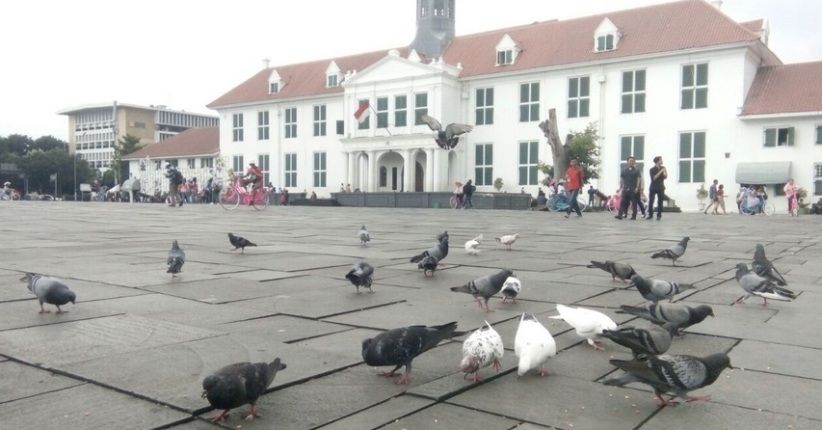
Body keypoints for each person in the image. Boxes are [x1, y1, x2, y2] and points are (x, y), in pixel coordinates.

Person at [646, 156, 667, 220]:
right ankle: (650, 215)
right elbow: (654, 178)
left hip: (661, 187)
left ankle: (659, 215)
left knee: (660, 202)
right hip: (653, 187)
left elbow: (665, 177)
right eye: (661, 160)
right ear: (657, 161)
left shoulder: (663, 168)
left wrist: (665, 171)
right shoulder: (652, 169)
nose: (662, 161)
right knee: (651, 201)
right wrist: (661, 171)